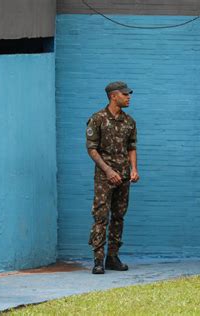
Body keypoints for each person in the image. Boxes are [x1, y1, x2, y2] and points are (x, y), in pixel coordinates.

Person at [86, 81, 139, 274]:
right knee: (101, 217)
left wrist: (134, 169)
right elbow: (91, 149)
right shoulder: (97, 119)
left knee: (118, 217)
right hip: (104, 178)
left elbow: (132, 147)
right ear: (113, 96)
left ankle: (112, 257)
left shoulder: (129, 122)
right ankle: (98, 260)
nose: (128, 97)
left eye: (128, 94)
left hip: (124, 177)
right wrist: (108, 171)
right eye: (125, 94)